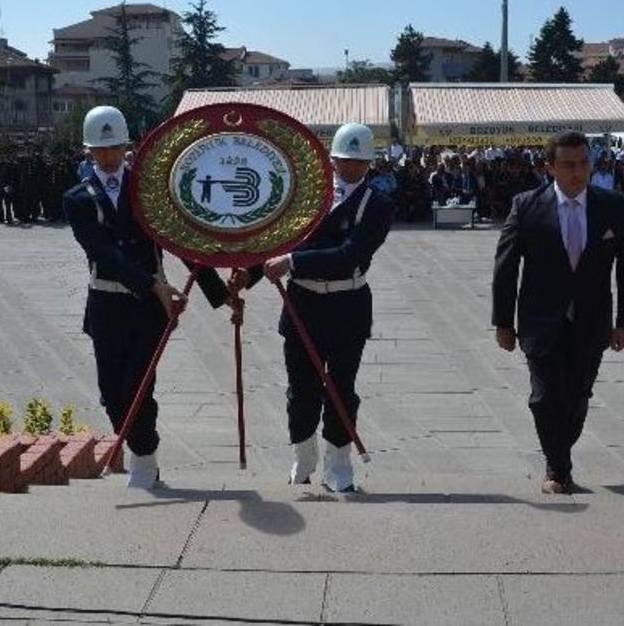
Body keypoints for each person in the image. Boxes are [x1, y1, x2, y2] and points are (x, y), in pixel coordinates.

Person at [63, 106, 233, 489]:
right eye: (100, 150)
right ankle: (139, 450)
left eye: (115, 148)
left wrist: (220, 296)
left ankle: (144, 461)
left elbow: (182, 244)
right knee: (111, 393)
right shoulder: (77, 198)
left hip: (147, 310)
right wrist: (153, 283)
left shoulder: (149, 192)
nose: (108, 158)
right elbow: (103, 252)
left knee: (139, 386)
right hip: (107, 303)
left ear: (128, 146)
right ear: (88, 151)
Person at [492, 131, 624, 494]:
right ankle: (557, 469)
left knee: (577, 397)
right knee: (544, 398)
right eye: (569, 165)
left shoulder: (613, 206)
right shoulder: (526, 207)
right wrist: (503, 323)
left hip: (592, 322)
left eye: (584, 163)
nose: (578, 172)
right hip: (540, 321)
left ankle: (560, 456)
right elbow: (506, 267)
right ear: (550, 168)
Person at [260, 123, 394, 492]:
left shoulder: (377, 204)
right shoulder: (304, 197)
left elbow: (350, 253)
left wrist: (292, 262)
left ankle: (339, 465)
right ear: (331, 158)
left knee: (342, 387)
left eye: (359, 162)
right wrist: (250, 274)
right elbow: (274, 238)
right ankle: (303, 457)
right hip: (302, 301)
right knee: (301, 388)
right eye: (344, 160)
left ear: (369, 163)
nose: (350, 168)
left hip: (346, 302)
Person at [0, 151, 17, 224]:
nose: (1, 158)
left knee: (8, 204)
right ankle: (0, 219)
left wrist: (10, 185)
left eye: (3, 157)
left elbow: (12, 176)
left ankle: (9, 218)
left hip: (6, 187)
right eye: (0, 157)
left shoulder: (9, 166)